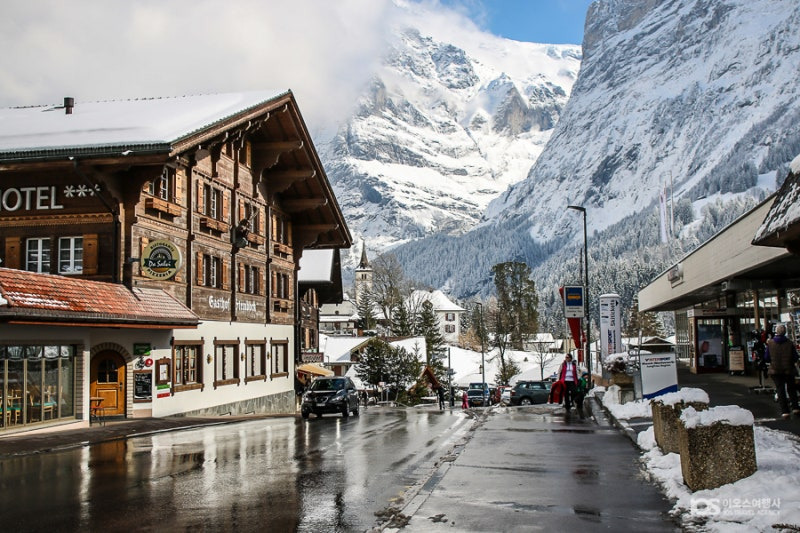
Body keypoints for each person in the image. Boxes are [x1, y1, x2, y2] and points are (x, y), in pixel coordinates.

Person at [765, 324, 800, 419]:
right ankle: (795, 408)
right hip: (788, 370)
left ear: (776, 332)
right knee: (791, 389)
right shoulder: (789, 343)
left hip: (775, 370)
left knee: (780, 390)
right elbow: (795, 357)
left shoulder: (770, 343)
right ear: (785, 332)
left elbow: (767, 358)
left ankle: (785, 411)